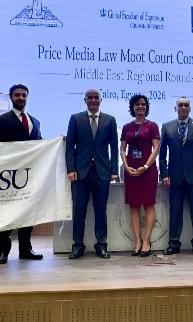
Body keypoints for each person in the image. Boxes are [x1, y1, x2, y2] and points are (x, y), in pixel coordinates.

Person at [0, 84, 44, 265]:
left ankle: (25, 250)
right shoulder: (1, 120)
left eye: (24, 95)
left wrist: (59, 142)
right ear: (10, 97)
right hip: (8, 177)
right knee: (5, 214)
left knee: (28, 213)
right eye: (17, 95)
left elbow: (40, 146)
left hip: (29, 175)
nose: (21, 98)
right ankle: (2, 252)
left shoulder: (35, 122)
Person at [66, 88, 119, 259]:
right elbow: (70, 146)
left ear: (101, 100)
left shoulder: (110, 120)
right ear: (85, 100)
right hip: (80, 172)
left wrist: (114, 170)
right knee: (79, 211)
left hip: (102, 172)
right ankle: (77, 246)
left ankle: (101, 245)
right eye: (90, 98)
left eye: (96, 97)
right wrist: (71, 169)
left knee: (100, 210)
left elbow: (114, 147)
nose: (93, 100)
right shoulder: (76, 118)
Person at [159, 96, 193, 255]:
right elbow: (162, 153)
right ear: (176, 108)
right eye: (180, 105)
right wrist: (164, 174)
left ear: (190, 108)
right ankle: (173, 243)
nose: (183, 107)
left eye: (186, 105)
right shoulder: (167, 126)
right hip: (174, 177)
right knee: (175, 212)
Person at [119, 94, 160, 258]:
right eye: (137, 104)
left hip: (148, 170)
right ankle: (137, 241)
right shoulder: (126, 127)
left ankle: (146, 241)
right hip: (131, 170)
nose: (140, 106)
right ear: (133, 107)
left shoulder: (152, 126)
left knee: (149, 205)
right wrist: (126, 166)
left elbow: (156, 148)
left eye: (143, 104)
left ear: (146, 107)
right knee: (134, 206)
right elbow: (122, 149)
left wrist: (145, 167)